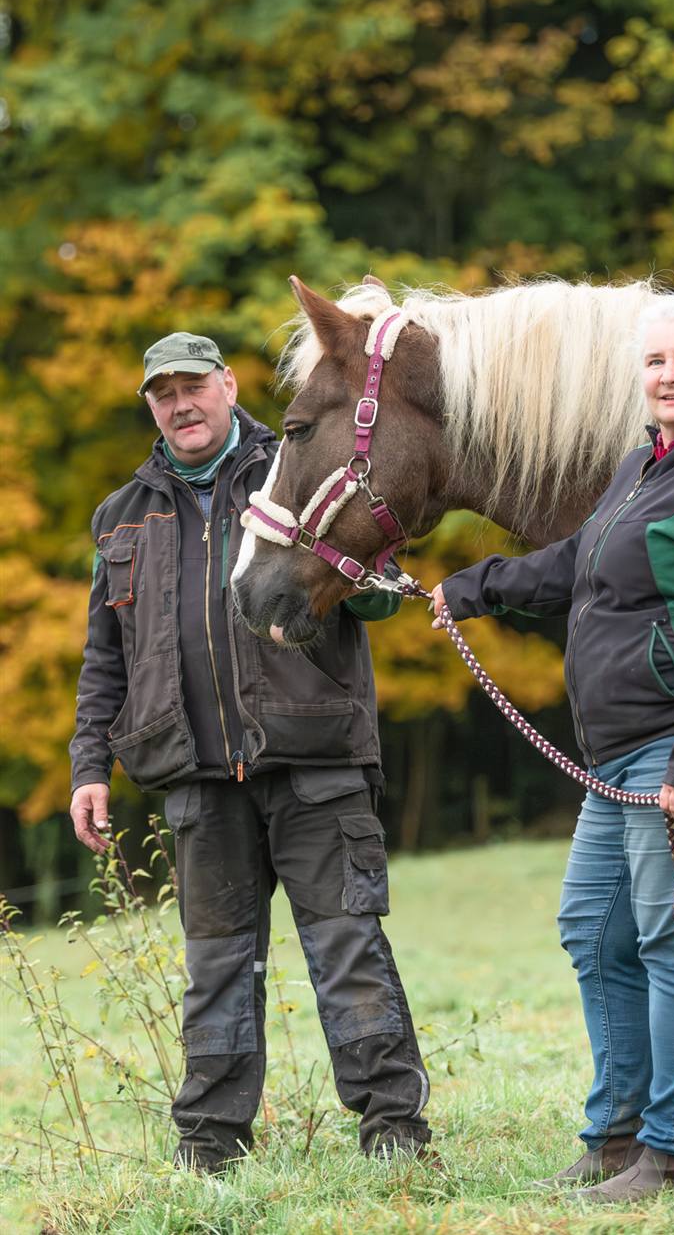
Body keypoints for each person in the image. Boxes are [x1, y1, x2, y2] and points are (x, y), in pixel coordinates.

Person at [431, 291, 674, 1202]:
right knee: (594, 930)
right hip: (623, 753)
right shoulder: (648, 462)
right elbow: (581, 561)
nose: (670, 375)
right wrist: (475, 586)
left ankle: (673, 1156)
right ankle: (617, 1136)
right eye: (655, 362)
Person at [70, 332, 430, 1173]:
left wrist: (371, 579)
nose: (180, 404)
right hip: (194, 773)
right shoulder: (122, 515)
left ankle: (394, 1135)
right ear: (150, 406)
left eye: (194, 385)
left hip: (315, 762)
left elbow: (373, 592)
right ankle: (211, 1147)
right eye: (162, 393)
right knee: (217, 969)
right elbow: (104, 659)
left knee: (348, 952)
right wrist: (91, 765)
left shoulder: (296, 468)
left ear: (229, 386)